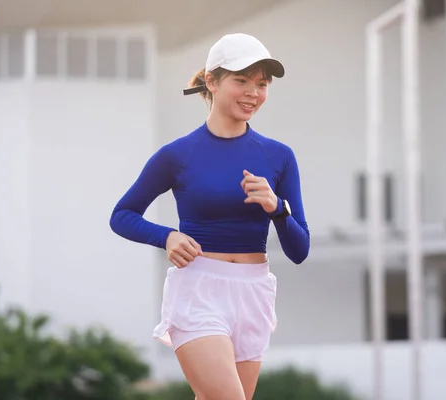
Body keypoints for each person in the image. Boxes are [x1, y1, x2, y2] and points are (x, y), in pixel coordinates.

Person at [109, 32, 310, 400]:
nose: (253, 92)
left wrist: (277, 209)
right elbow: (122, 214)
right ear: (213, 82)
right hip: (198, 290)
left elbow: (299, 250)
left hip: (254, 292)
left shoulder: (280, 156)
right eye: (241, 81)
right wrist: (166, 237)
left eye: (262, 84)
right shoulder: (177, 154)